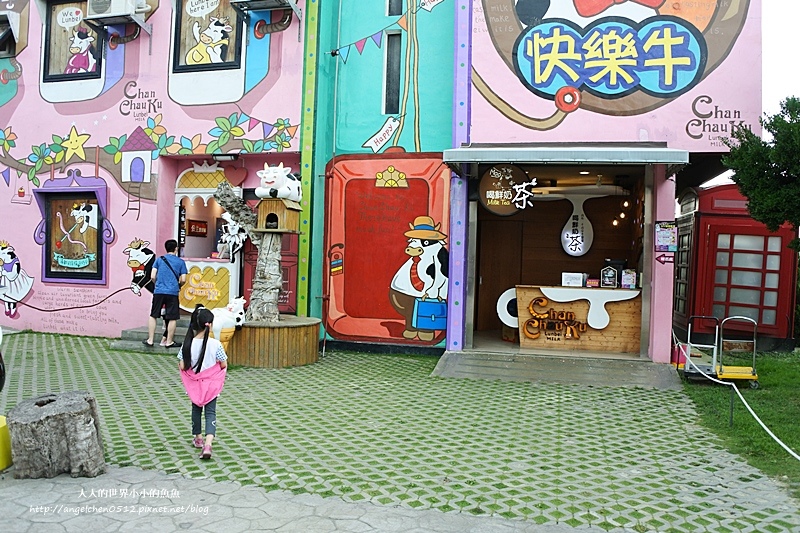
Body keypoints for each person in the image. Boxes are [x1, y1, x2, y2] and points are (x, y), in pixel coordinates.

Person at [178, 305, 227, 459]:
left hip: (195, 385)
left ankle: (198, 438)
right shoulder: (216, 344)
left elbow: (182, 365)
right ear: (210, 325)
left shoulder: (187, 344)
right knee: (211, 412)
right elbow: (223, 363)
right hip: (211, 386)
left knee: (196, 409)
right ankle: (208, 444)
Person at [143, 239, 187, 348]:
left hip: (158, 291)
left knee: (153, 315)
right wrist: (179, 286)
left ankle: (150, 340)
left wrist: (158, 284)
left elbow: (152, 276)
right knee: (172, 317)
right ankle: (169, 342)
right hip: (172, 292)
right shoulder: (180, 262)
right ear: (176, 249)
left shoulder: (159, 260)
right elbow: (183, 279)